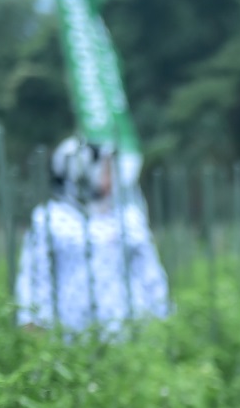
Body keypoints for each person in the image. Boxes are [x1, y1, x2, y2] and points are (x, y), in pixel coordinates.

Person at [15, 138, 170, 331]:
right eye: (104, 170)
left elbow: (151, 274)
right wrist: (32, 320)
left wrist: (161, 316)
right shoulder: (51, 219)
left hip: (130, 331)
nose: (111, 176)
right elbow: (35, 275)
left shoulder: (128, 218)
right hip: (68, 331)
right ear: (80, 171)